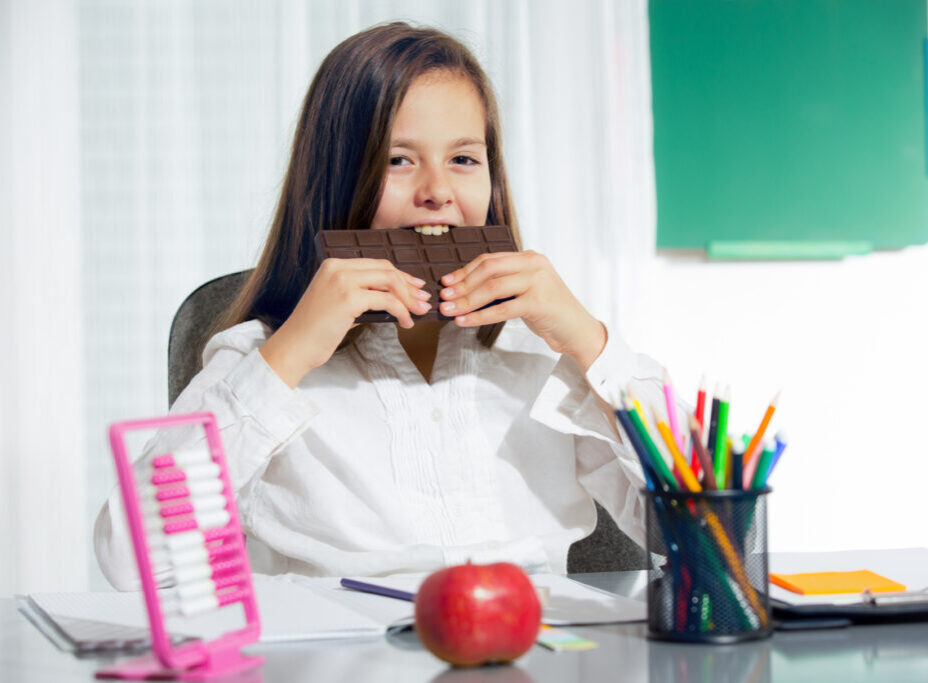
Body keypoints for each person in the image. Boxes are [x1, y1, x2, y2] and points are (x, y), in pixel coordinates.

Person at [94, 22, 667, 591]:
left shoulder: (545, 357)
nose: (437, 191)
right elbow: (132, 561)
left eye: (464, 159)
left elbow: (706, 535)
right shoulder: (261, 358)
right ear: (335, 181)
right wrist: (286, 358)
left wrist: (591, 344)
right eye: (398, 160)